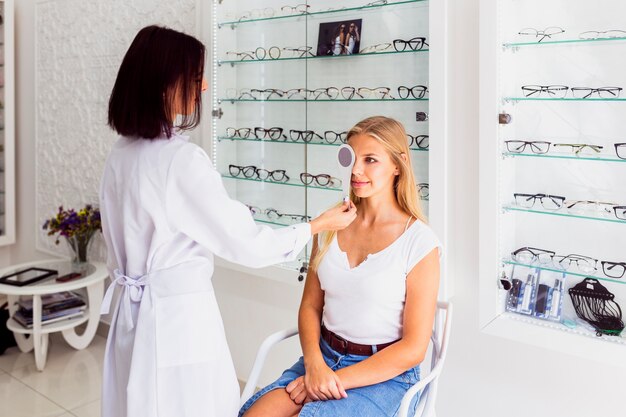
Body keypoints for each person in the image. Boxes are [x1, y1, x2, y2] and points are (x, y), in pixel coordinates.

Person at [99, 25, 356, 417]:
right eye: (197, 78)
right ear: (167, 82)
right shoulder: (179, 161)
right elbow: (246, 244)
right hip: (174, 320)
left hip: (133, 319)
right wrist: (314, 226)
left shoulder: (121, 154)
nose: (202, 90)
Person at [239, 116, 442, 417]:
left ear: (398, 165)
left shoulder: (420, 242)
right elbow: (310, 307)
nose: (356, 171)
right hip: (322, 357)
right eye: (351, 158)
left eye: (370, 160)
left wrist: (326, 381)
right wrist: (314, 365)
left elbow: (413, 348)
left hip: (384, 377)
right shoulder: (331, 224)